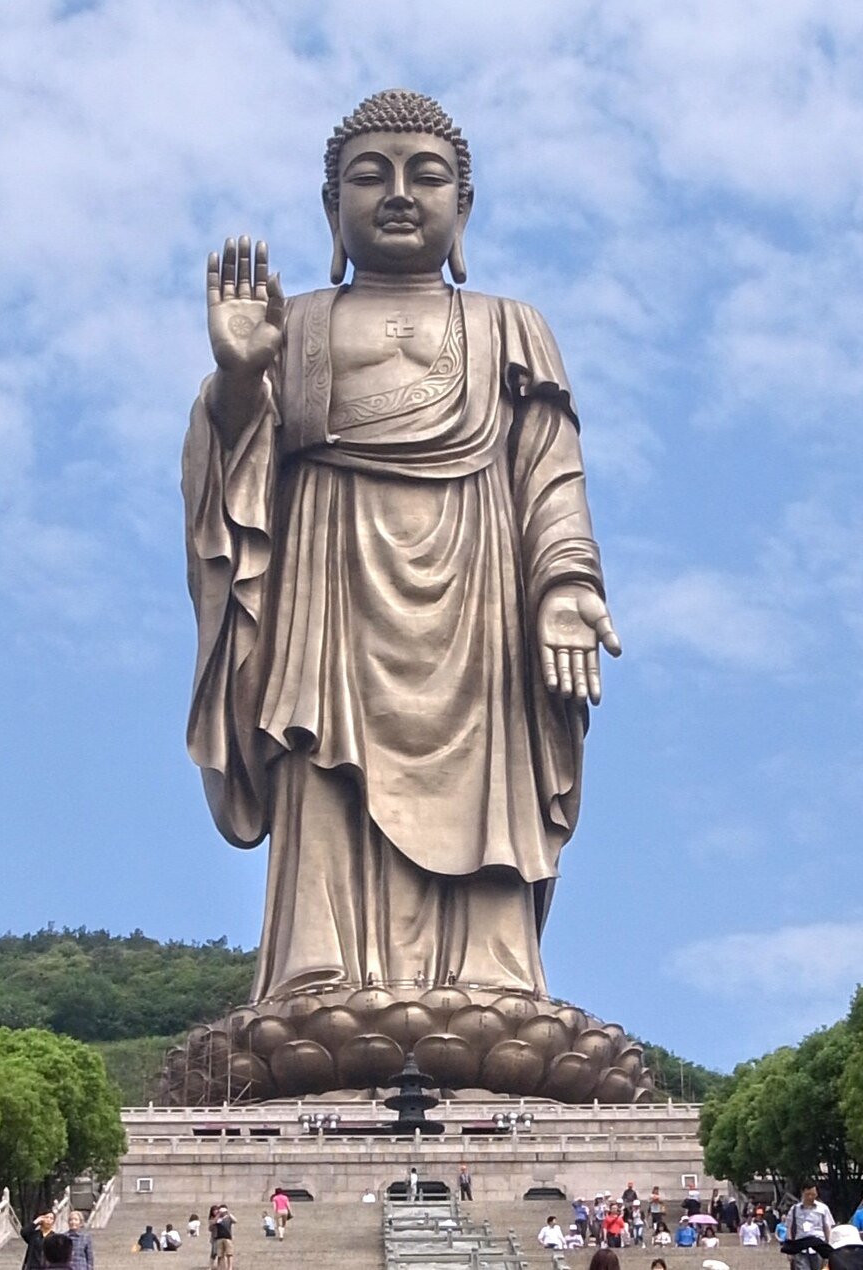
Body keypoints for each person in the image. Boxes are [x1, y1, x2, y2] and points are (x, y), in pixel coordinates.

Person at [184, 88, 621, 1009]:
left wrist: (566, 588)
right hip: (328, 590)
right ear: (329, 208)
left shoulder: (510, 325)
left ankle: (493, 983)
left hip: (479, 604)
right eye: (366, 175)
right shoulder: (293, 325)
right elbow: (236, 473)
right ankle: (318, 975)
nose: (396, 193)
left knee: (487, 790)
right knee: (320, 766)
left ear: (463, 208)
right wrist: (235, 380)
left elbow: (549, 470)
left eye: (426, 176)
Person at [786, 1184, 834, 1270]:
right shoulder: (794, 1209)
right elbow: (789, 1229)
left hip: (819, 1247)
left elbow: (827, 1228)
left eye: (813, 1194)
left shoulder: (823, 1208)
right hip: (800, 1248)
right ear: (802, 1193)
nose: (810, 1197)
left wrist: (829, 1246)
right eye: (808, 1194)